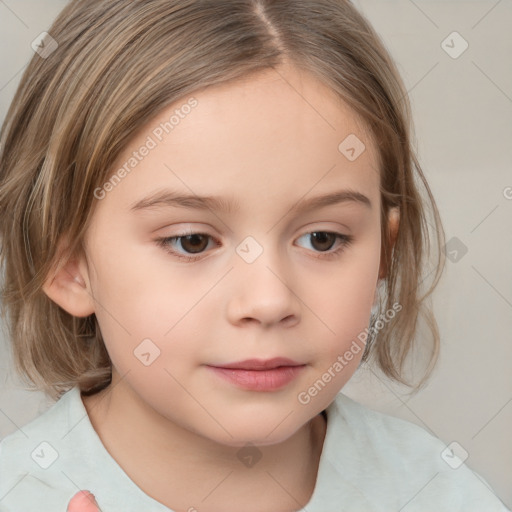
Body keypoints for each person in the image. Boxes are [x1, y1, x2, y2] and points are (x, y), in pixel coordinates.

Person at [0, 1, 508, 511]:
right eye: (192, 241)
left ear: (384, 252)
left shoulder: (444, 495)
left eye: (322, 239)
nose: (268, 301)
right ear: (65, 263)